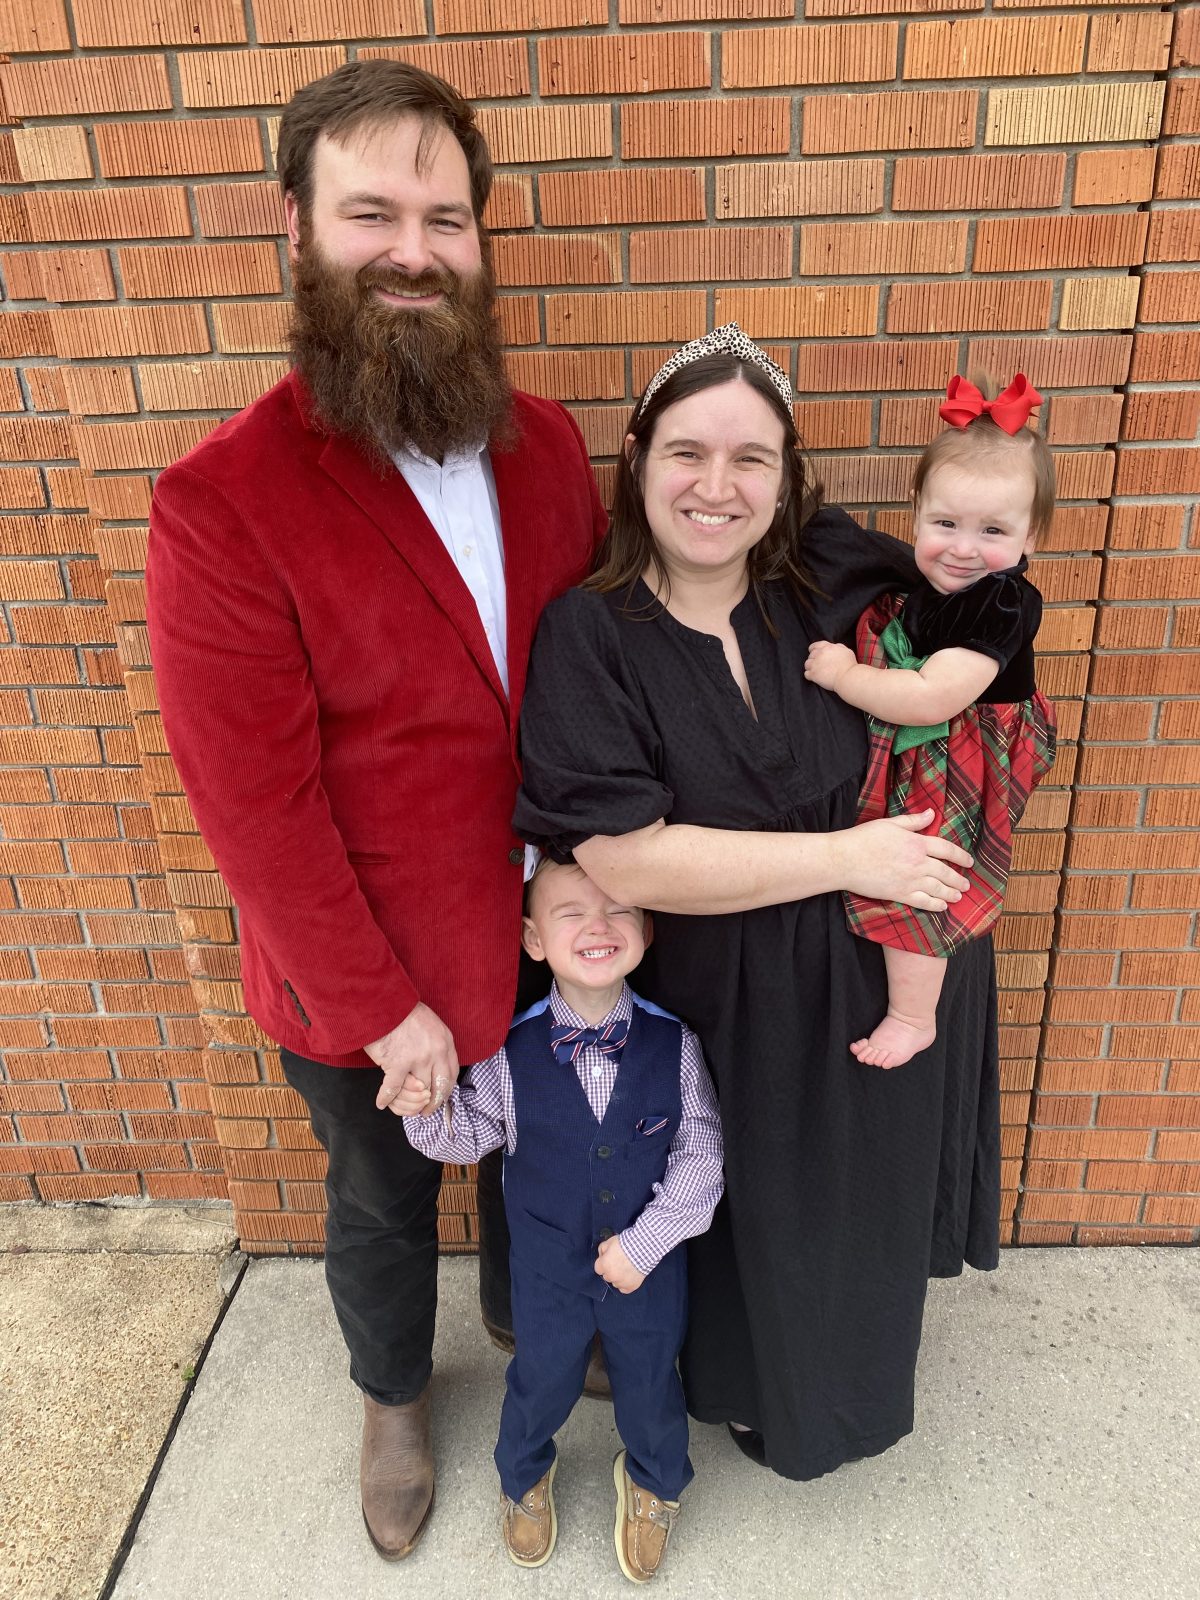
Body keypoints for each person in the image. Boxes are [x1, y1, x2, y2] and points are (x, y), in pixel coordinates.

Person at [145, 60, 606, 1560]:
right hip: (365, 977)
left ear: (479, 244)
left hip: (549, 941)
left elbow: (593, 693)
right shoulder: (223, 501)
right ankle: (395, 1395)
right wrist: (380, 1009)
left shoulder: (544, 451)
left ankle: (512, 1308)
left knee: (532, 1165)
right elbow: (252, 801)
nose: (414, 250)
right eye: (372, 213)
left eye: (446, 218)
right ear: (297, 229)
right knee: (382, 1198)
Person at [513, 323, 999, 1482]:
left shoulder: (830, 577)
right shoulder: (592, 632)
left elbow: (975, 583)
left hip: (890, 963)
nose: (717, 487)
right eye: (687, 452)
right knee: (753, 1221)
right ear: (636, 460)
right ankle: (755, 1396)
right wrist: (849, 857)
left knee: (858, 1216)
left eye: (752, 459)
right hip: (732, 994)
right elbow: (627, 860)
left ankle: (849, 1398)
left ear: (789, 479)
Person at [399, 857, 722, 1581]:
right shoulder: (509, 1050)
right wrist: (426, 1112)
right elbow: (472, 1132)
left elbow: (701, 1156)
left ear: (646, 928)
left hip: (648, 1268)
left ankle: (652, 1482)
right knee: (540, 1378)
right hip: (546, 1270)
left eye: (617, 910)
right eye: (571, 912)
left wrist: (647, 1242)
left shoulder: (675, 1045)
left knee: (649, 1382)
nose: (598, 926)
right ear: (534, 939)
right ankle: (522, 1478)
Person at [804, 374, 1057, 1069]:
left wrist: (843, 675)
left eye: (994, 530)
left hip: (964, 758)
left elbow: (929, 699)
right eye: (945, 524)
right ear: (916, 512)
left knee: (924, 880)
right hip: (940, 750)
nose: (963, 548)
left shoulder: (1000, 603)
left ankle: (913, 1016)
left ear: (1032, 535)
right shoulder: (936, 590)